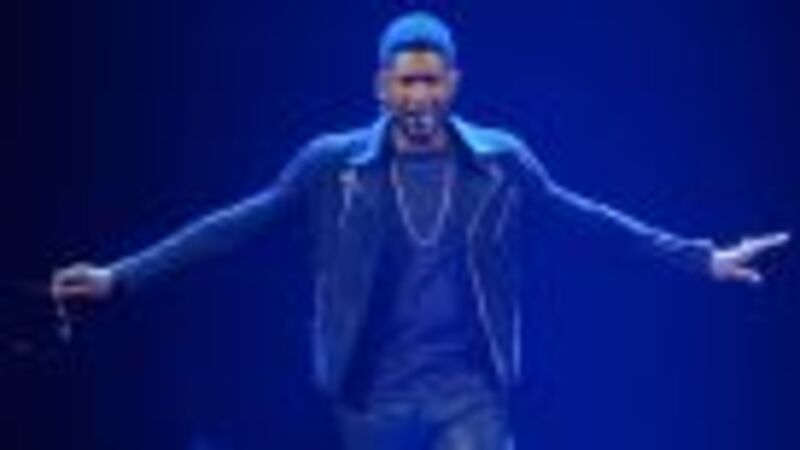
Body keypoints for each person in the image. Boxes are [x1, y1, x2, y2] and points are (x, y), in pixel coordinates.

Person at [50, 11, 790, 450]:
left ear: (453, 84)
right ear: (382, 86)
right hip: (369, 396)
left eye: (432, 81)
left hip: (469, 391)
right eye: (406, 82)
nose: (420, 96)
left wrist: (702, 260)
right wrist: (119, 277)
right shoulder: (332, 165)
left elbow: (587, 218)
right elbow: (229, 228)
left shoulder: (500, 161)